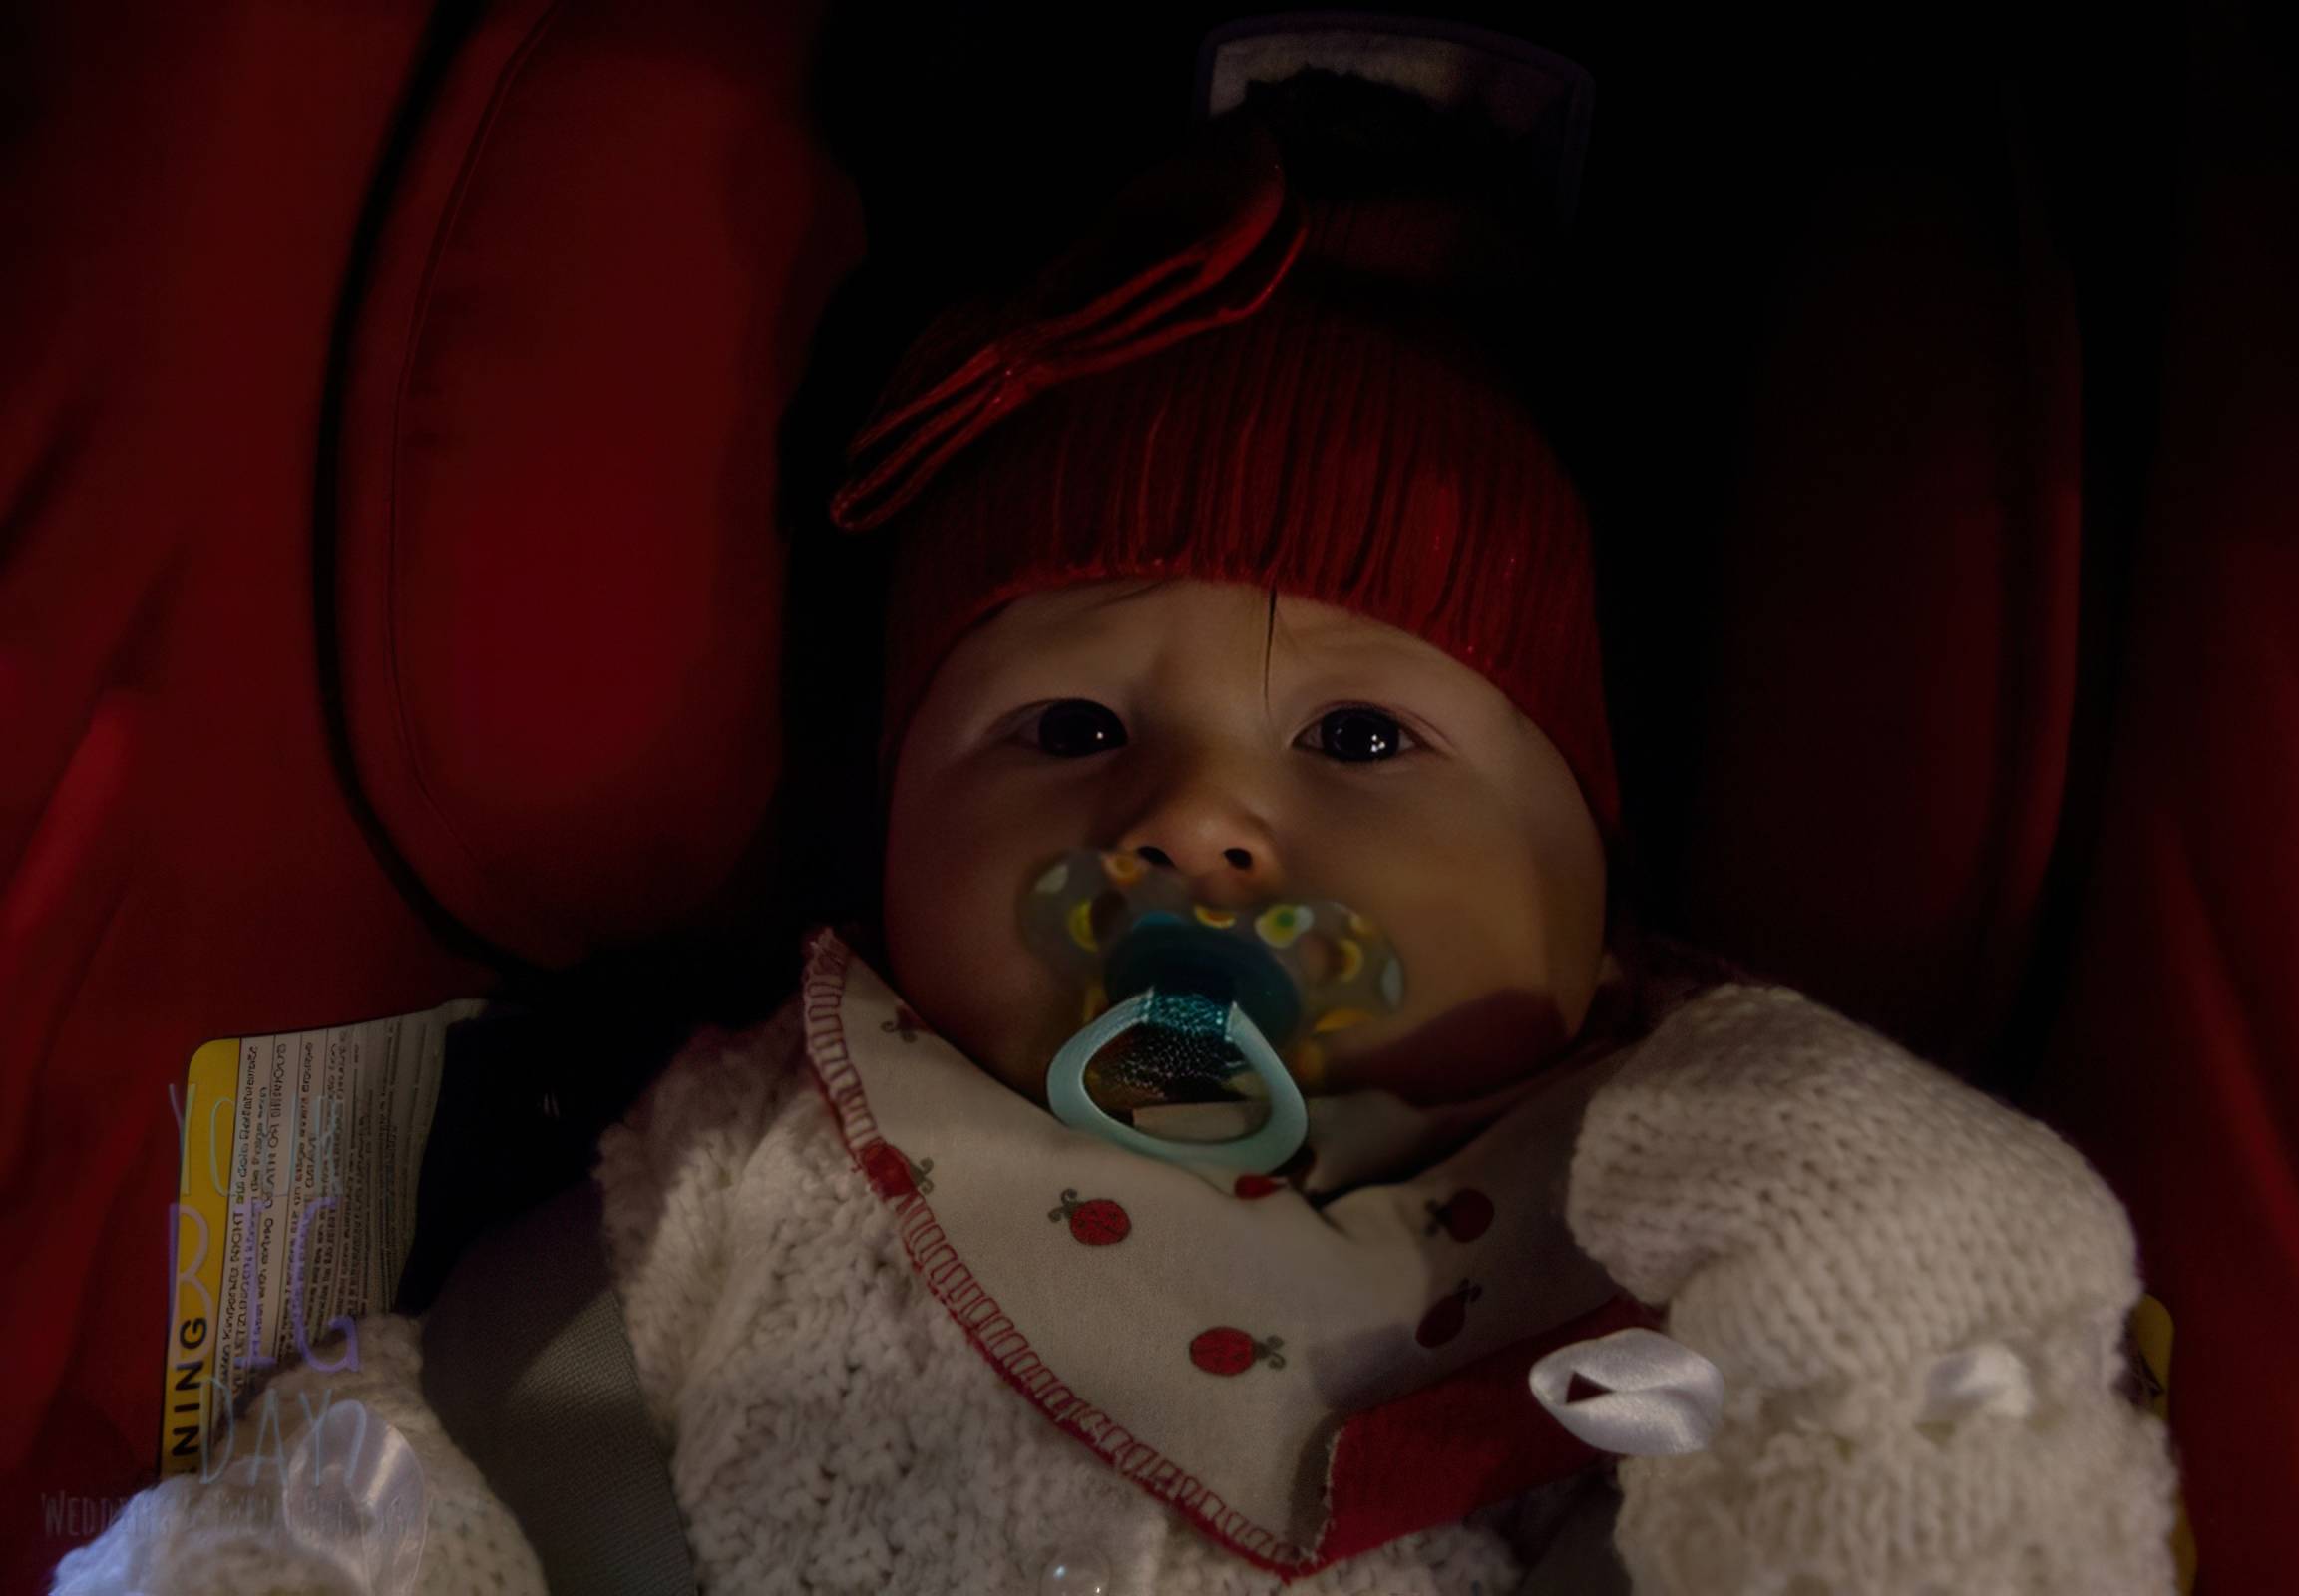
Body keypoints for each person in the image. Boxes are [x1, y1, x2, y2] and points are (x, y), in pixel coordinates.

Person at [54, 79, 2179, 1595]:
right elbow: (374, 1499)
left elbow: (1969, 1510)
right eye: (1067, 727)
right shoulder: (761, 1183)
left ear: (1596, 882)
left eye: (1365, 735)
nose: (1192, 817)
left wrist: (1894, 1282)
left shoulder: (1723, 1215)